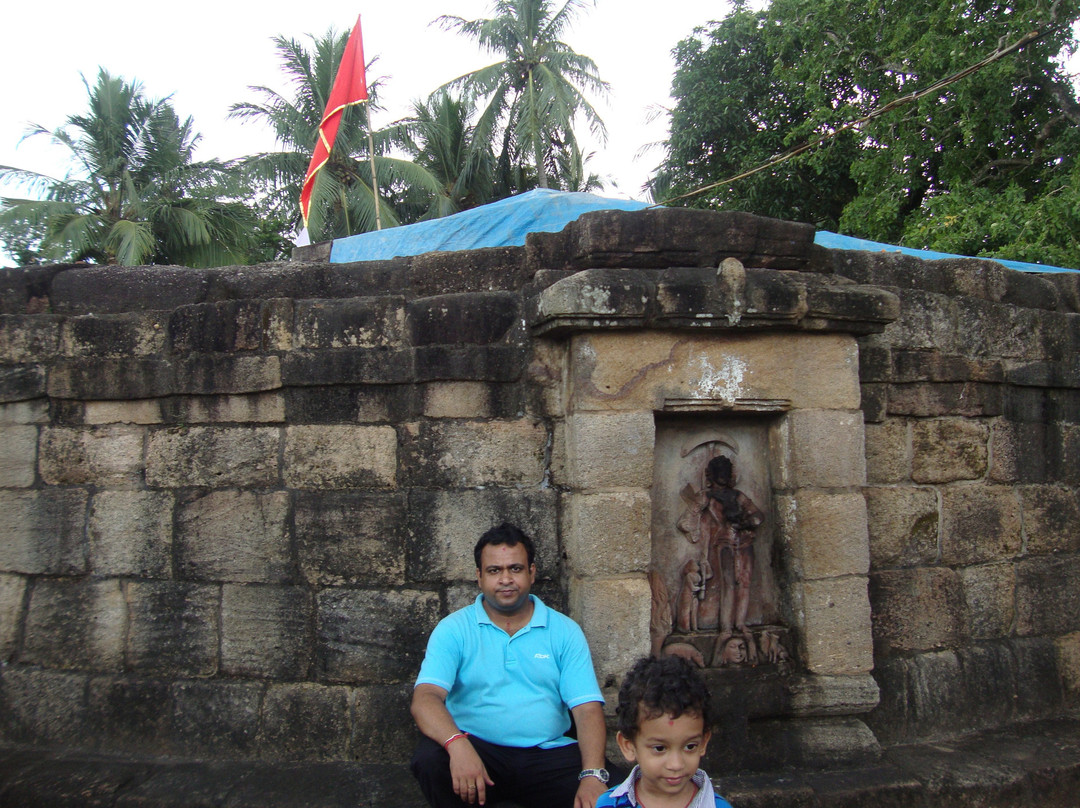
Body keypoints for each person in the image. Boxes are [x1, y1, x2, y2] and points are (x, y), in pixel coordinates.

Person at [410, 523, 609, 808]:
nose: (506, 579)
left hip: (548, 755)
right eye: (494, 571)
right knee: (430, 761)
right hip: (478, 752)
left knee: (612, 790)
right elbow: (425, 698)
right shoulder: (453, 629)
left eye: (515, 569)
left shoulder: (564, 631)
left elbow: (587, 708)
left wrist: (592, 775)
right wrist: (457, 744)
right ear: (479, 577)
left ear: (532, 573)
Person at [597, 655, 733, 808]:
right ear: (628, 745)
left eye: (690, 746)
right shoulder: (609, 804)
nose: (676, 764)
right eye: (659, 748)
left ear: (703, 742)